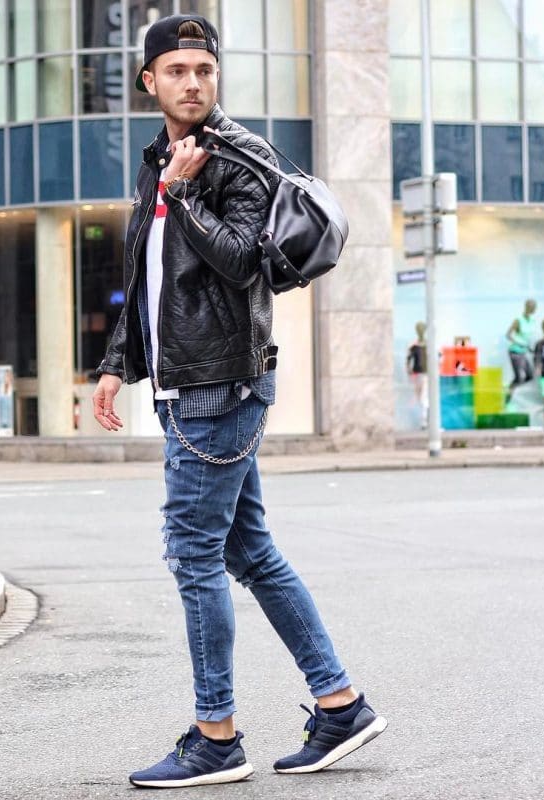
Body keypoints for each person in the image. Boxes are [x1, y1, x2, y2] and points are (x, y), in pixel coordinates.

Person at [92, 14, 386, 789]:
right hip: (188, 380)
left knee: (195, 558)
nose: (193, 82)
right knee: (247, 550)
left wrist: (184, 196)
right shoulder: (162, 158)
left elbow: (242, 265)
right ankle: (340, 703)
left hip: (221, 382)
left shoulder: (232, 160)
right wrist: (116, 365)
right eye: (177, 70)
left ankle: (216, 735)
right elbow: (146, 276)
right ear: (149, 81)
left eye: (204, 70)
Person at [506, 299, 537, 402]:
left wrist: (531, 347)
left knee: (530, 376)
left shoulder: (532, 321)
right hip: (515, 351)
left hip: (523, 352)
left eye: (534, 307)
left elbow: (529, 337)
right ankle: (507, 396)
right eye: (531, 306)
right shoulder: (518, 320)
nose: (533, 309)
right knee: (519, 377)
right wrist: (521, 343)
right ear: (526, 307)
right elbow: (508, 335)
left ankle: (510, 389)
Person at [406, 321, 428, 429]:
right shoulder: (414, 346)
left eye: (422, 329)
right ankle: (422, 420)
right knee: (419, 397)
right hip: (418, 374)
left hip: (427, 374)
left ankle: (424, 420)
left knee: (423, 396)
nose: (420, 331)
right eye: (418, 329)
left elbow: (438, 358)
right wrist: (409, 371)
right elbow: (408, 359)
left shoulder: (428, 345)